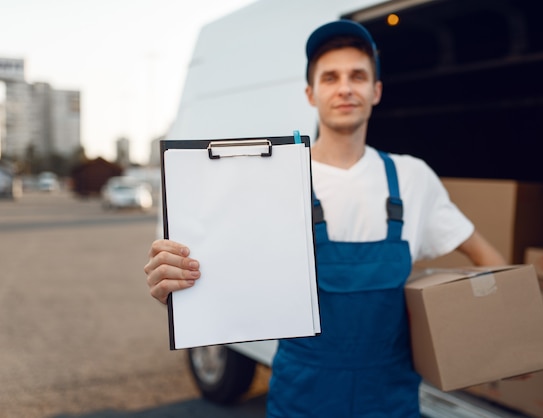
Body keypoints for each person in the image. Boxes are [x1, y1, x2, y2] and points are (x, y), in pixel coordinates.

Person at [144, 19, 506, 417]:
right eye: (330, 77)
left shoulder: (412, 178)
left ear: (376, 90)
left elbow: (487, 260)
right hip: (302, 398)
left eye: (358, 75)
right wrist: (175, 290)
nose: (346, 87)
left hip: (391, 401)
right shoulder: (271, 179)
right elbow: (222, 288)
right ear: (311, 93)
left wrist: (507, 337)